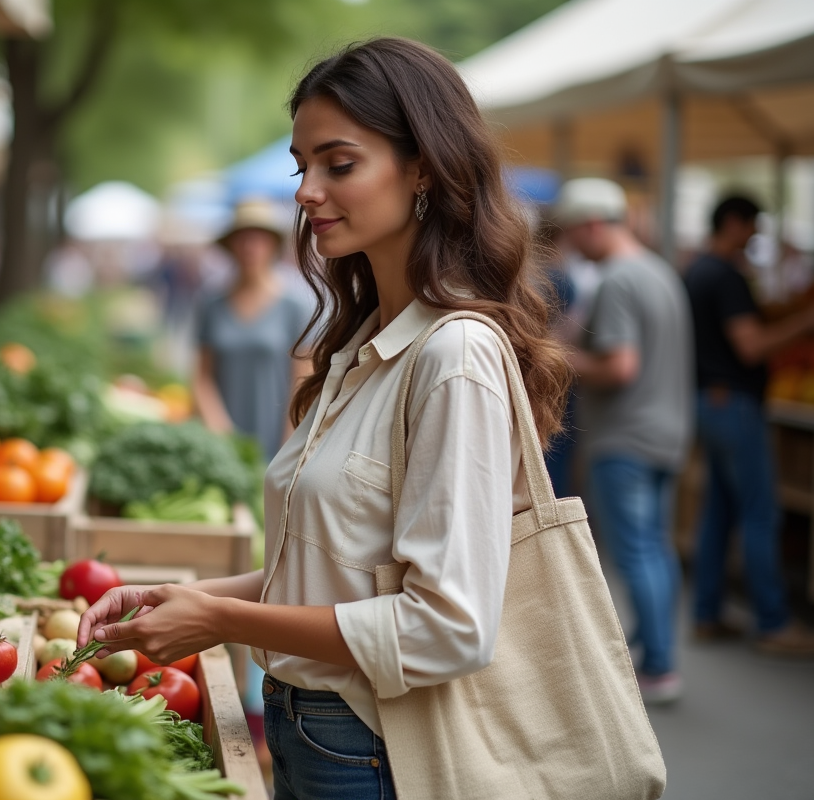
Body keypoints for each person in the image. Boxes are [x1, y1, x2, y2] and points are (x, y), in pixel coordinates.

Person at [77, 38, 571, 798]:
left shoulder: (454, 357)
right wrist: (181, 599)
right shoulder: (359, 345)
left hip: (372, 751)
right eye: (300, 166)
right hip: (312, 729)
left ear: (424, 170)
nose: (306, 192)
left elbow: (449, 629)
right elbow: (330, 572)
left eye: (338, 164)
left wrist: (220, 619)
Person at [560, 177, 693, 704]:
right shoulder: (660, 271)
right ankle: (654, 652)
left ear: (594, 223)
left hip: (626, 437)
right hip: (667, 432)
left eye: (573, 233)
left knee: (636, 552)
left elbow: (619, 367)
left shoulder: (617, 279)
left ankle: (659, 666)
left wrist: (559, 357)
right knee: (655, 548)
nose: (572, 245)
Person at [684, 195, 814, 656]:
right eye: (753, 225)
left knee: (718, 513)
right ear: (735, 223)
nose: (755, 234)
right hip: (735, 405)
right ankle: (774, 621)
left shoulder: (698, 271)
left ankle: (707, 613)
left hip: (710, 403)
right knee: (761, 514)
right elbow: (752, 347)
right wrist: (803, 323)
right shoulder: (726, 277)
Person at [192, 198, 315, 460]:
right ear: (230, 245)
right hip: (221, 441)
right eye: (242, 238)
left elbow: (303, 383)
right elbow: (202, 376)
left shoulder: (295, 305)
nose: (250, 247)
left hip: (279, 438)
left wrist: (288, 448)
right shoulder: (211, 304)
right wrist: (218, 431)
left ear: (273, 245)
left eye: (259, 238)